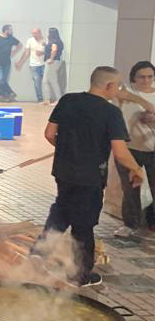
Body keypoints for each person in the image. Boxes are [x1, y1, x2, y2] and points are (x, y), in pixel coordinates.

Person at [35, 67, 149, 287]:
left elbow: (50, 134)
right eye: (117, 86)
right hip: (90, 177)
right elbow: (120, 152)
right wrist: (136, 169)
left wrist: (68, 150)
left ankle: (39, 254)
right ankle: (80, 276)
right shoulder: (110, 113)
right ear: (108, 86)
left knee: (62, 210)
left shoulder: (68, 100)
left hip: (63, 171)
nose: (118, 90)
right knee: (83, 225)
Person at [113, 61, 155, 237]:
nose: (146, 80)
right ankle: (130, 224)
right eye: (141, 76)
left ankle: (151, 222)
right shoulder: (124, 95)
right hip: (129, 148)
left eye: (150, 76)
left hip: (152, 149)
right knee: (130, 188)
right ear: (133, 78)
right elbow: (114, 116)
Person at [0, 24, 21, 102]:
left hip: (7, 63)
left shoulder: (11, 38)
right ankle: (10, 93)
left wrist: (14, 52)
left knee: (4, 81)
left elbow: (19, 45)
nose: (11, 31)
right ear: (6, 30)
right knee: (0, 80)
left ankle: (1, 96)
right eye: (10, 30)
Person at [18, 27, 47, 103]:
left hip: (44, 64)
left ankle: (48, 99)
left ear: (39, 33)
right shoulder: (30, 41)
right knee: (37, 82)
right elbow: (26, 53)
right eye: (33, 33)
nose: (34, 35)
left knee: (47, 82)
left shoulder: (45, 40)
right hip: (34, 65)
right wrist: (20, 62)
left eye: (35, 33)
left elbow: (50, 51)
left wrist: (43, 53)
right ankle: (40, 99)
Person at [42, 27, 65, 105]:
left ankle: (59, 99)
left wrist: (51, 59)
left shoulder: (54, 41)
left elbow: (54, 50)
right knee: (45, 81)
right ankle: (47, 99)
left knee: (53, 81)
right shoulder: (56, 41)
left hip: (52, 62)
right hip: (53, 62)